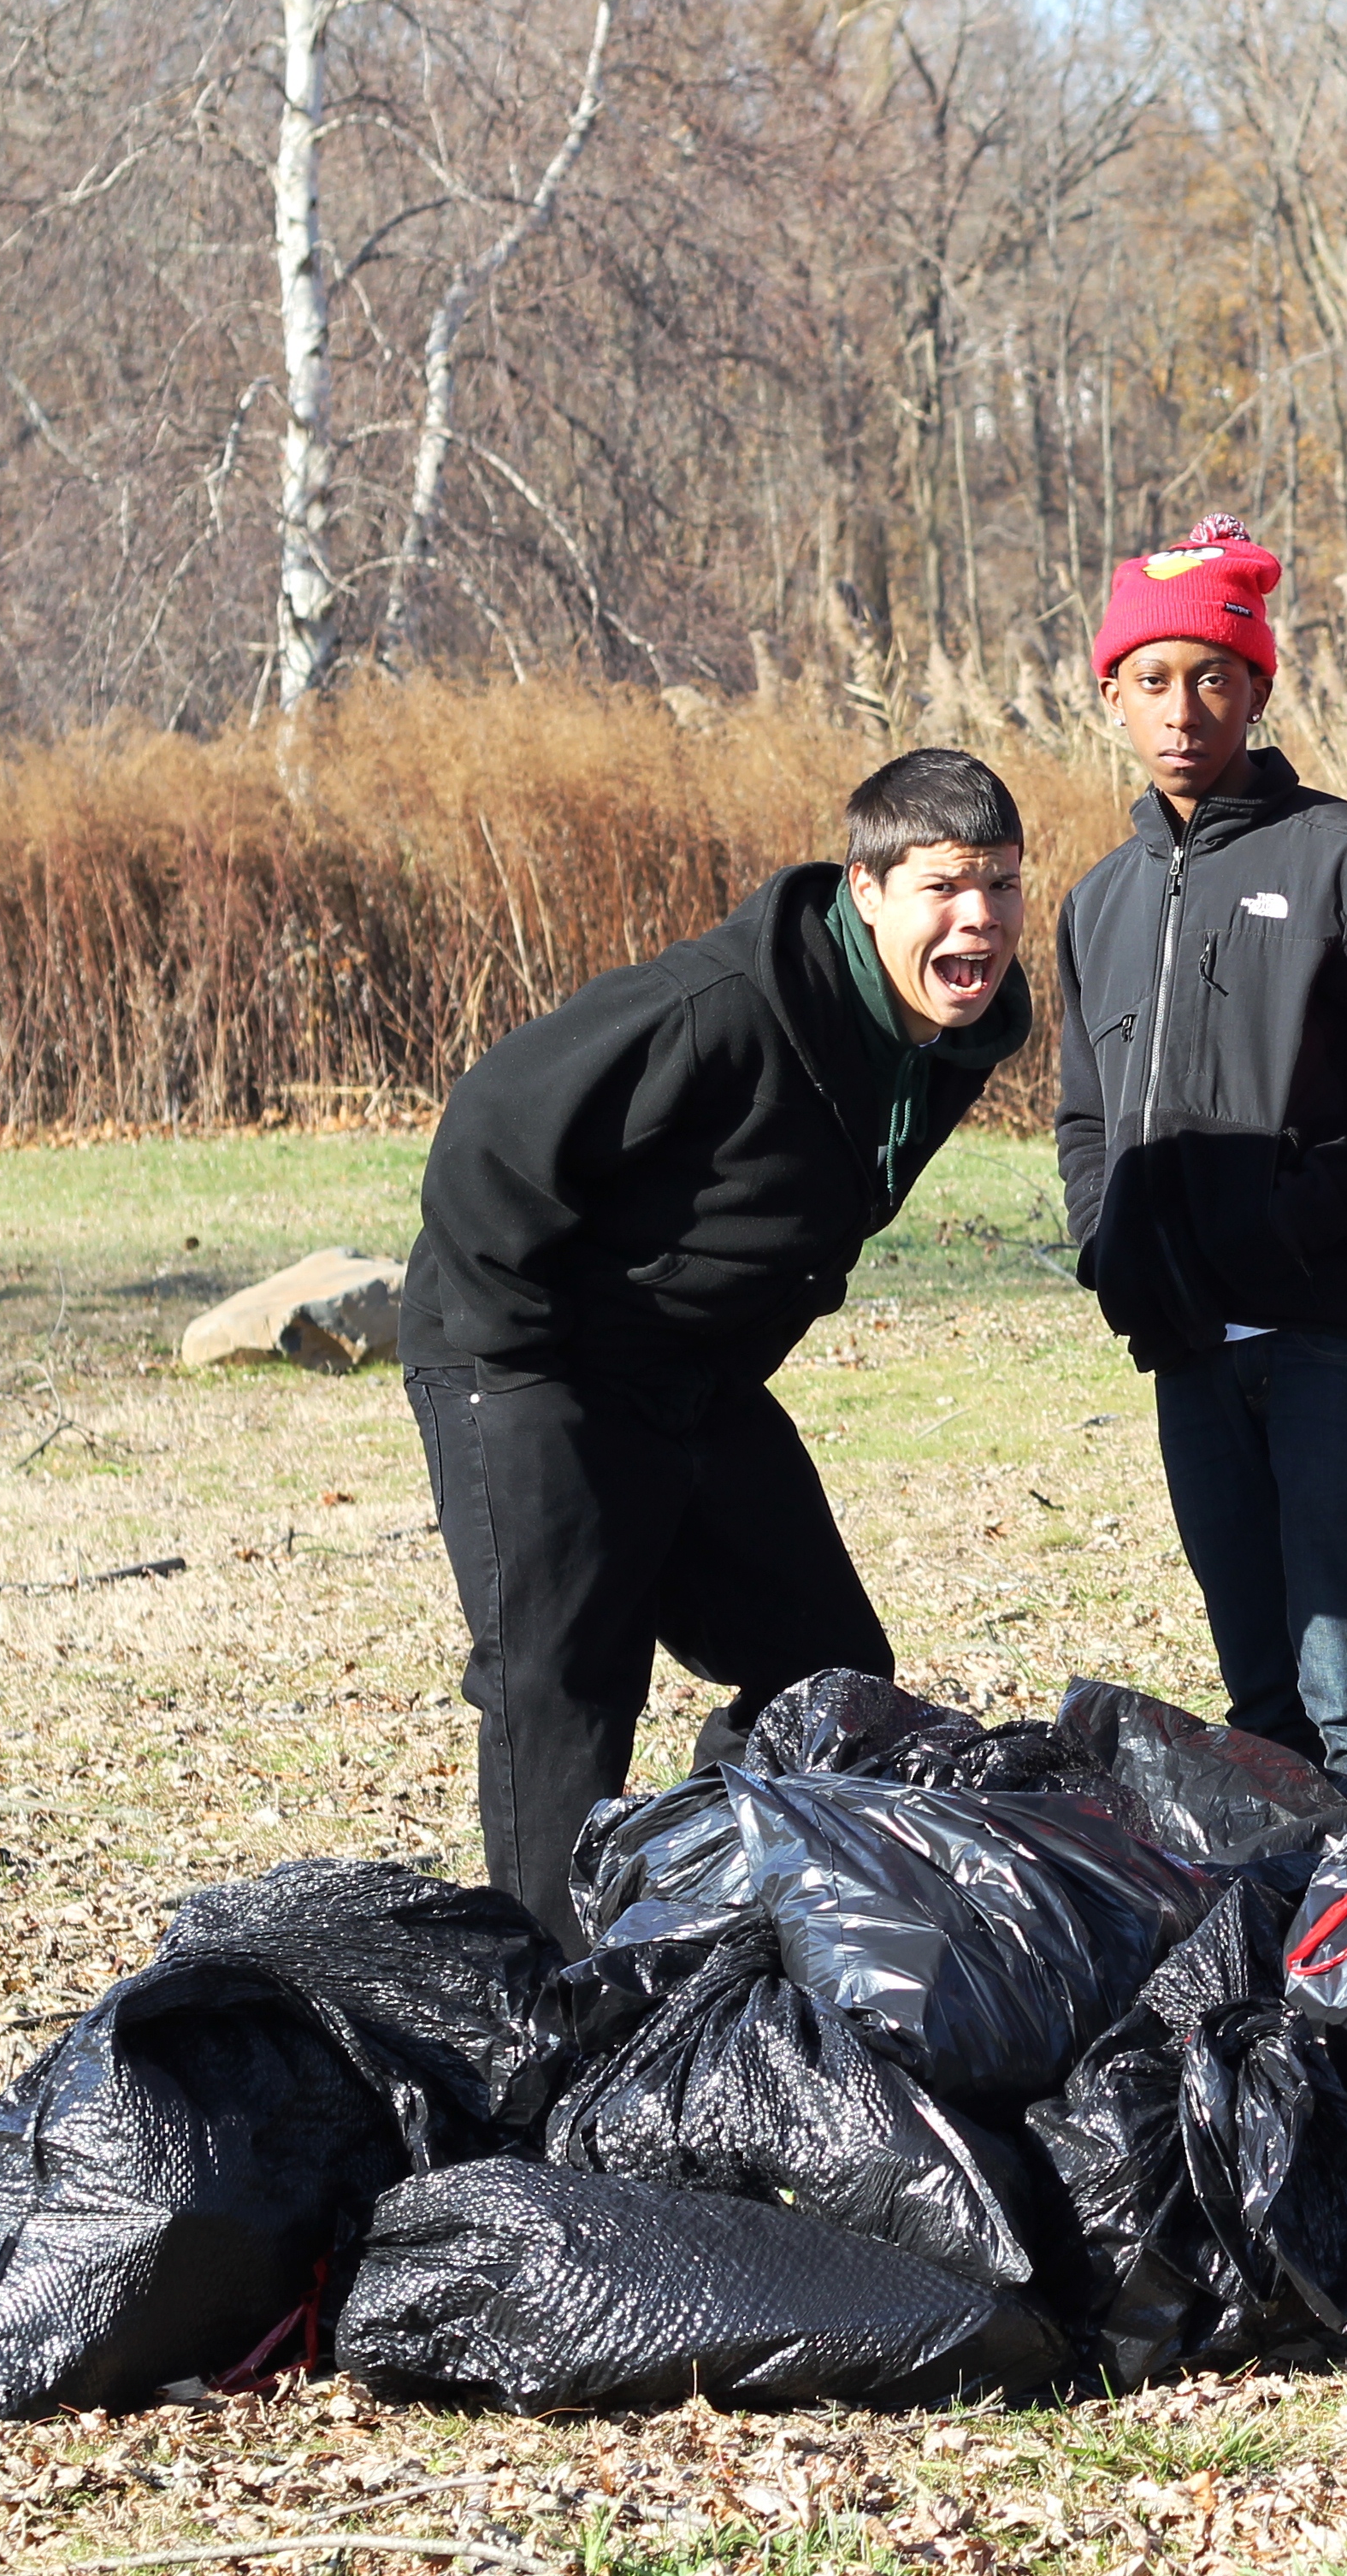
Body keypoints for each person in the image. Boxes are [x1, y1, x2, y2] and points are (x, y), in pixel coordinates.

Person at [400, 747, 1033, 1938]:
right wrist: (524, 1356)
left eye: (1002, 884)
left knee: (829, 1675)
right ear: (866, 889)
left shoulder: (945, 1032)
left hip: (696, 1372)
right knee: (566, 1684)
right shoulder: (726, 1004)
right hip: (533, 1353)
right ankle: (546, 1996)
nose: (981, 917)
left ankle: (693, 1885)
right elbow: (493, 1123)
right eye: (947, 884)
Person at [1055, 517, 1347, 1795]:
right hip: (1186, 1348)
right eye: (1154, 681)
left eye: (1214, 678)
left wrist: (1293, 1219)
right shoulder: (1097, 902)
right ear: (1111, 696)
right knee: (1260, 1696)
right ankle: (1296, 1968)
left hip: (1336, 1337)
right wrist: (1107, 1248)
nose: (1185, 710)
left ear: (1259, 687)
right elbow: (1082, 1117)